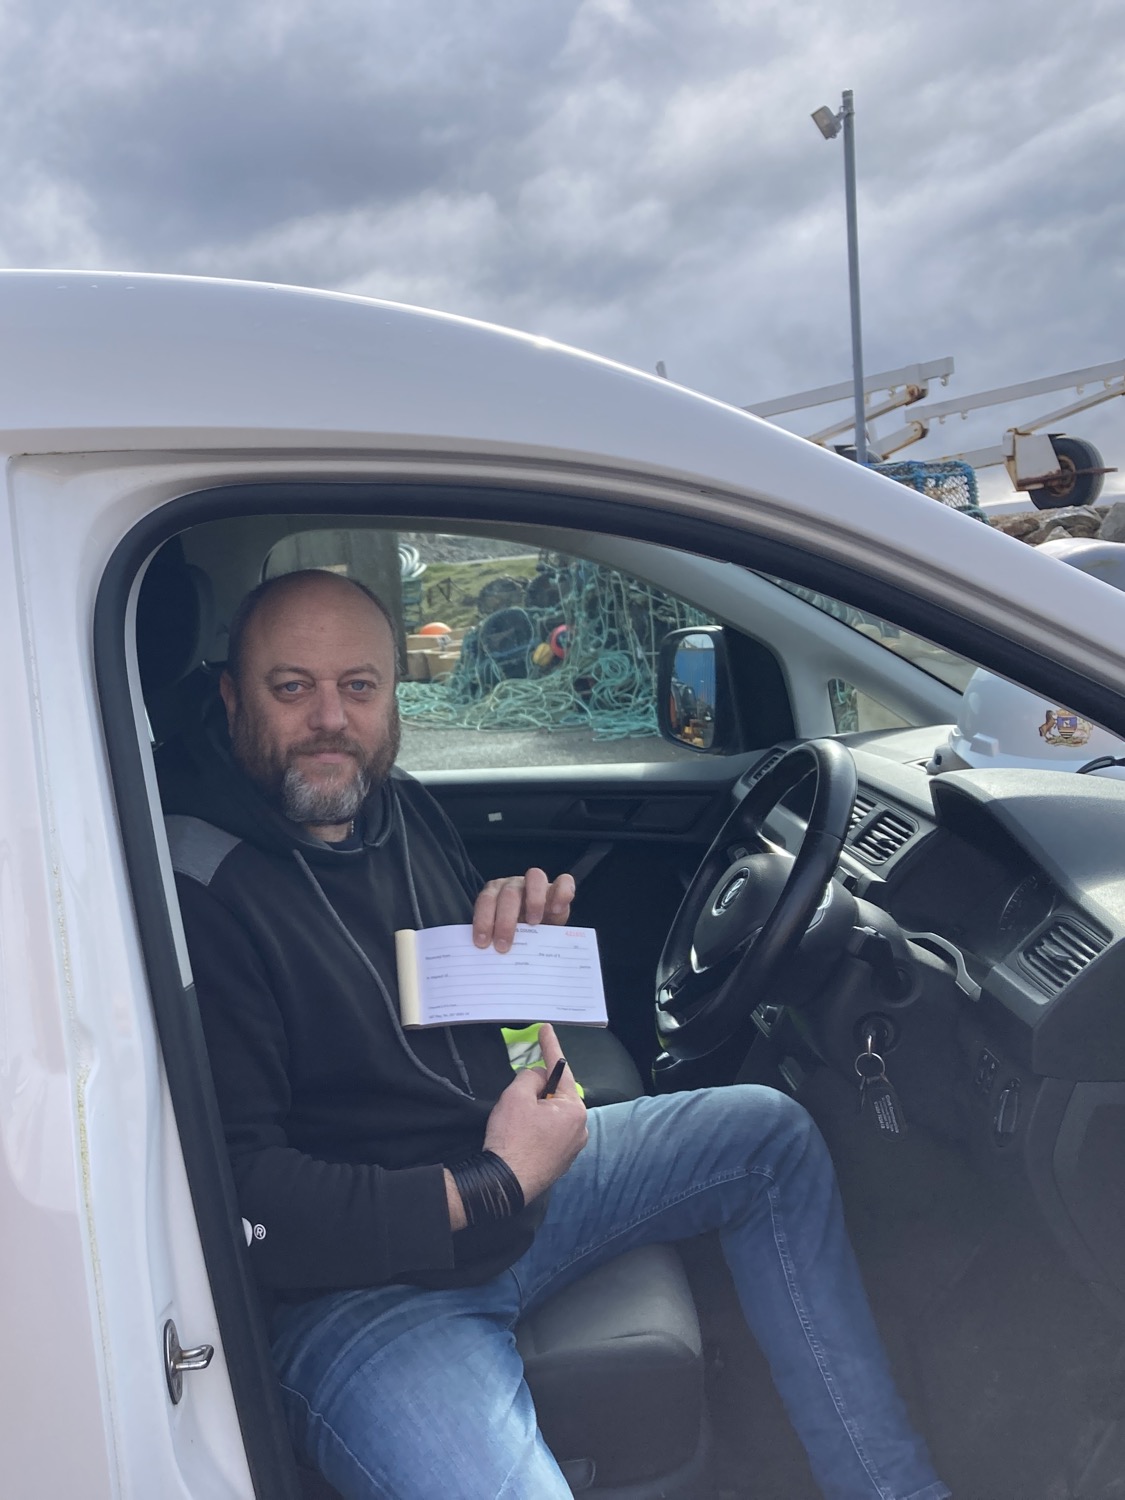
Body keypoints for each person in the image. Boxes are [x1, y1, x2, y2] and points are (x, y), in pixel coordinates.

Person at [160, 568, 949, 1500]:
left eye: (358, 686)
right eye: (292, 687)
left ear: (393, 695)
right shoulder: (198, 890)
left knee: (766, 1134)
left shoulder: (392, 805)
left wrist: (522, 976)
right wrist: (492, 1182)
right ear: (232, 699)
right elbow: (245, 1202)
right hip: (359, 1296)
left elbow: (470, 1039)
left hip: (510, 1193)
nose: (330, 719)